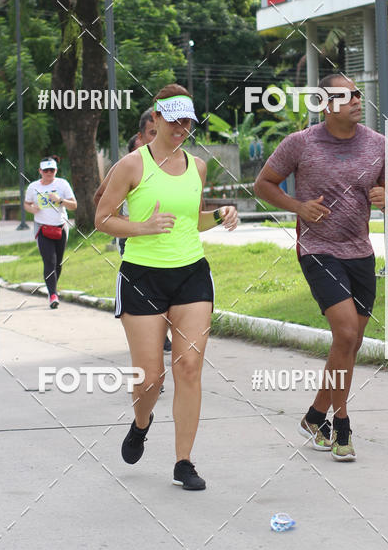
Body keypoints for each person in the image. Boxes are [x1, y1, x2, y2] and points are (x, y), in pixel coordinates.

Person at [95, 83, 238, 490]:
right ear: (154, 119)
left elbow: (192, 220)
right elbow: (102, 219)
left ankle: (184, 463)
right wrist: (141, 227)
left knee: (189, 368)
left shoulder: (198, 166)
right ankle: (141, 423)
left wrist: (222, 215)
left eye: (187, 122)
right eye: (173, 120)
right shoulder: (131, 166)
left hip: (192, 273)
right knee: (151, 378)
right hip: (142, 277)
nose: (181, 128)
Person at [254, 73, 386, 462]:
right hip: (317, 249)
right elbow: (263, 184)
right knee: (345, 332)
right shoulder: (301, 143)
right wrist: (298, 207)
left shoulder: (379, 144)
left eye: (357, 93)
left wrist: (387, 195)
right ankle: (340, 424)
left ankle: (314, 415)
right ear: (326, 106)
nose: (355, 101)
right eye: (345, 96)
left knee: (350, 342)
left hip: (360, 251)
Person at [94, 112, 173, 353]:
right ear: (139, 139)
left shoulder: (177, 164)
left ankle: (161, 333)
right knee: (146, 289)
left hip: (169, 243)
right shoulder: (126, 167)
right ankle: (154, 339)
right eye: (151, 134)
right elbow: (100, 199)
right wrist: (130, 222)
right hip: (133, 242)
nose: (156, 140)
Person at [24, 157, 77, 309]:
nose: (49, 173)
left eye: (51, 170)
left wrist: (60, 200)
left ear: (56, 170)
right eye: (45, 170)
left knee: (58, 263)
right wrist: (31, 209)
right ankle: (53, 294)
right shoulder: (33, 187)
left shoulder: (62, 184)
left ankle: (51, 288)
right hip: (42, 228)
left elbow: (74, 205)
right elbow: (26, 204)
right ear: (40, 171)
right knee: (50, 261)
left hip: (60, 227)